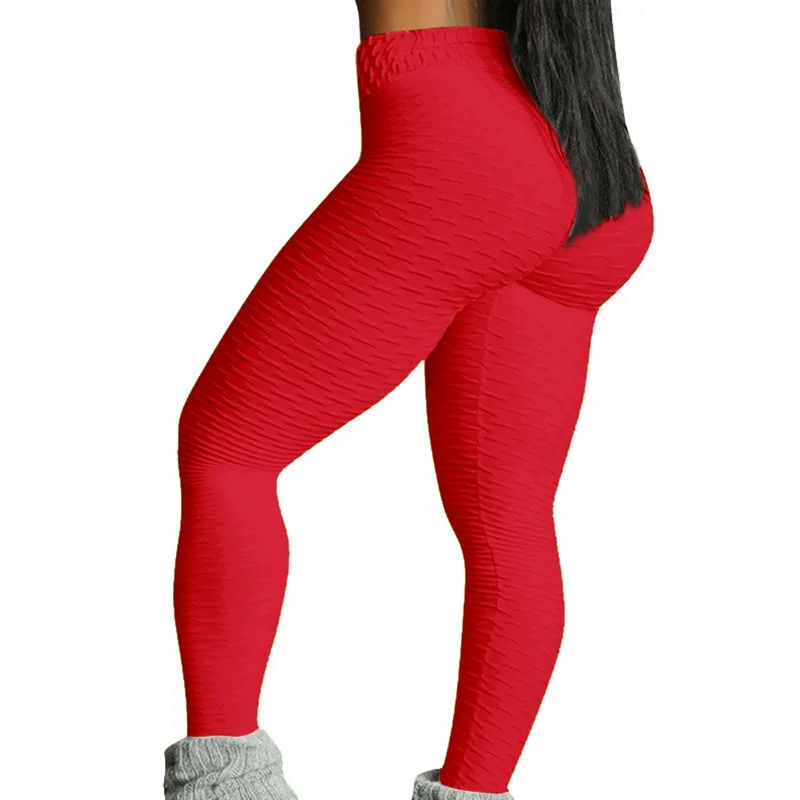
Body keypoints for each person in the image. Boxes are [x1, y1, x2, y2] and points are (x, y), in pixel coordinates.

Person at [163, 2, 655, 799]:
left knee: (227, 451)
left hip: (463, 145)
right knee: (510, 523)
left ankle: (226, 785)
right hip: (583, 152)